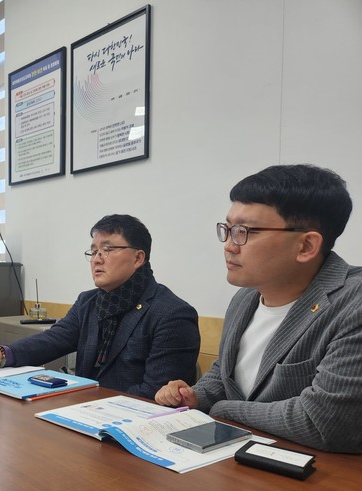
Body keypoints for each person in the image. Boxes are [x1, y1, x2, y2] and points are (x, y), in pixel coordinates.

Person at [155, 164, 362, 453]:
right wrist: (196, 396)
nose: (229, 245)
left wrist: (222, 408)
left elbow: (325, 421)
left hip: (317, 472)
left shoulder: (353, 303)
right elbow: (226, 373)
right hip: (236, 459)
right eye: (228, 229)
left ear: (306, 246)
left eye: (245, 232)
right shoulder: (245, 298)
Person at [0, 215, 200, 398]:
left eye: (107, 250)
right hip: (84, 417)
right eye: (94, 251)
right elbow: (53, 340)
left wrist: (85, 401)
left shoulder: (172, 314)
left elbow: (157, 395)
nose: (97, 258)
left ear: (138, 258)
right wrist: (2, 355)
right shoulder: (89, 302)